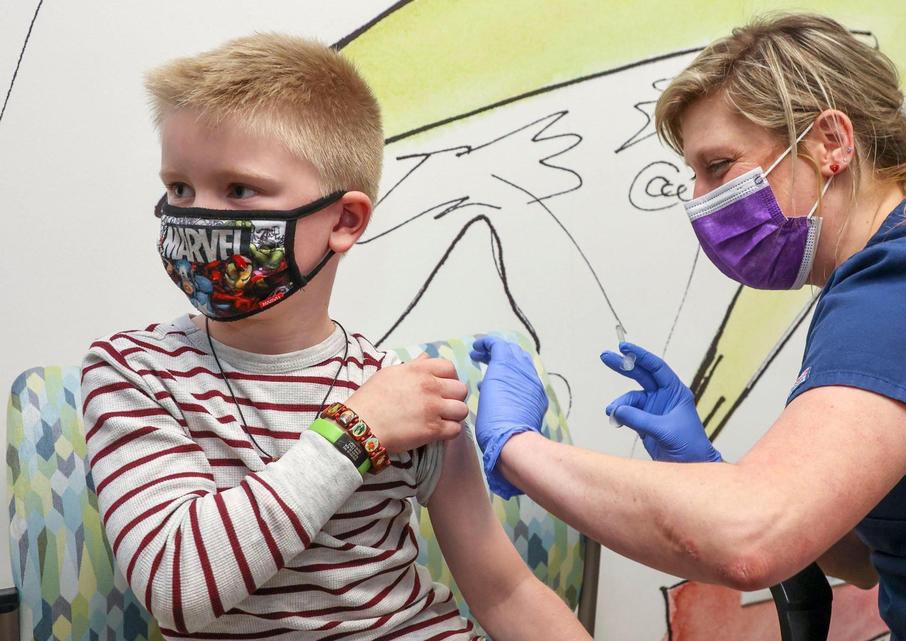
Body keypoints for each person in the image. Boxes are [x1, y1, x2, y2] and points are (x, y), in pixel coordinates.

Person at [469, 13, 906, 641]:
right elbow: (869, 558)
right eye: (692, 176)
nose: (699, 202)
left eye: (718, 166)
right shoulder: (905, 271)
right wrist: (709, 476)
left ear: (829, 143)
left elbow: (751, 542)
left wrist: (518, 448)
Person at [80, 34, 590, 641]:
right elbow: (177, 585)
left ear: (344, 220)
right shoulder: (133, 372)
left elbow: (504, 590)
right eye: (179, 189)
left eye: (238, 190)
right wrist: (356, 431)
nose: (197, 216)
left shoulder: (404, 391)